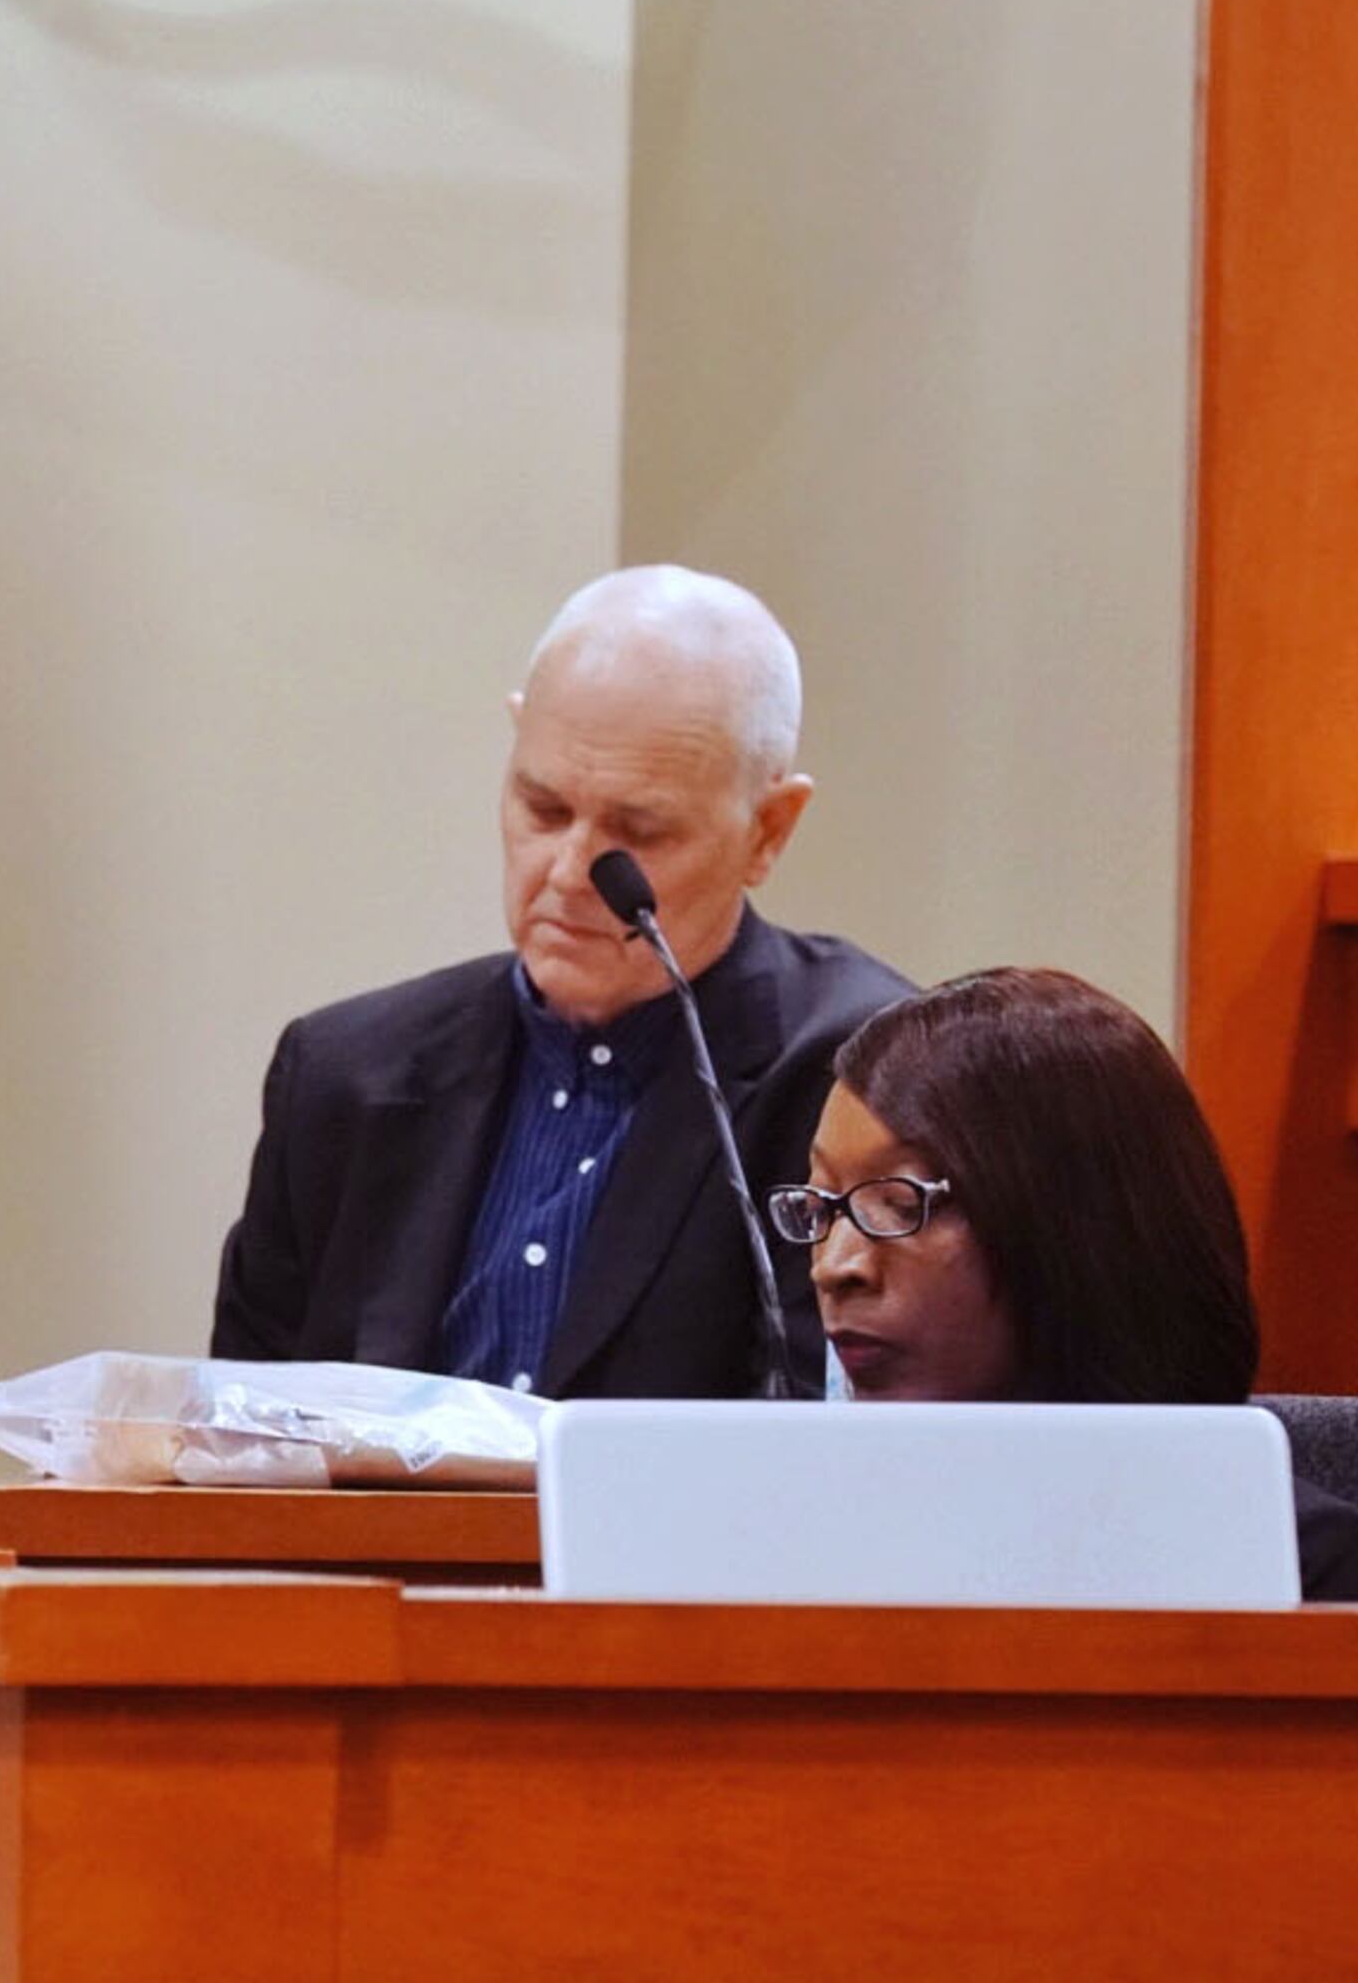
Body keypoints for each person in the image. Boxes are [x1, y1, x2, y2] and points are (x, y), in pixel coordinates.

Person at [212, 565, 908, 1397]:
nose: (570, 871)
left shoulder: (860, 1077)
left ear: (768, 830)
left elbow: (842, 1448)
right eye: (542, 810)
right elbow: (239, 1449)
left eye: (638, 831)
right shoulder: (342, 1073)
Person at [778, 967, 1358, 1600]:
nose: (835, 1266)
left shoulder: (1287, 1557)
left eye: (901, 1204)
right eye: (822, 1207)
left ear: (1074, 1225)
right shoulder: (787, 1528)